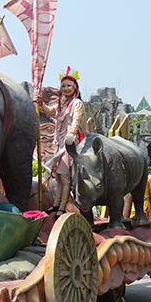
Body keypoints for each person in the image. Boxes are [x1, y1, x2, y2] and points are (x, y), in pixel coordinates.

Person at [39, 67, 89, 215]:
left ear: (75, 88)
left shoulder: (77, 103)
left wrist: (71, 135)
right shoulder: (62, 104)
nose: (66, 88)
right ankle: (56, 204)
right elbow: (49, 110)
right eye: (64, 86)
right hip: (60, 143)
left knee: (65, 176)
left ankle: (62, 207)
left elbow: (76, 121)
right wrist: (41, 104)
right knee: (59, 175)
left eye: (69, 86)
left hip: (71, 143)